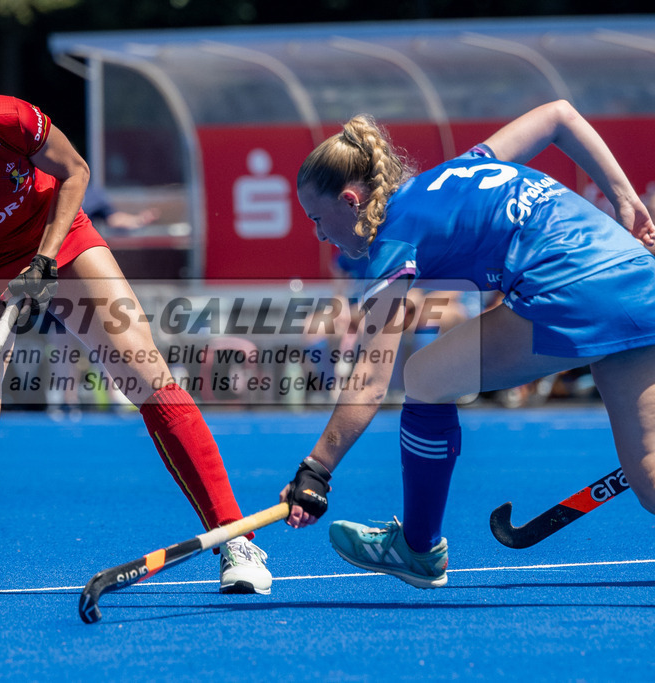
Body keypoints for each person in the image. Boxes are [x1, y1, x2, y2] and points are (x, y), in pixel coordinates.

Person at [0, 42, 271, 596]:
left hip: (59, 243)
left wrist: (44, 257)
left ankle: (235, 539)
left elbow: (75, 172)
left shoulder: (9, 120)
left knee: (149, 379)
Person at [279, 99, 655, 588]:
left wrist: (317, 469)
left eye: (317, 218)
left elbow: (369, 381)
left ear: (351, 200)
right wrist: (624, 198)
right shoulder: (464, 167)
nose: (320, 234)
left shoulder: (392, 242)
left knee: (427, 377)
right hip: (635, 275)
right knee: (648, 480)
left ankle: (418, 548)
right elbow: (560, 115)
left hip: (572, 290)